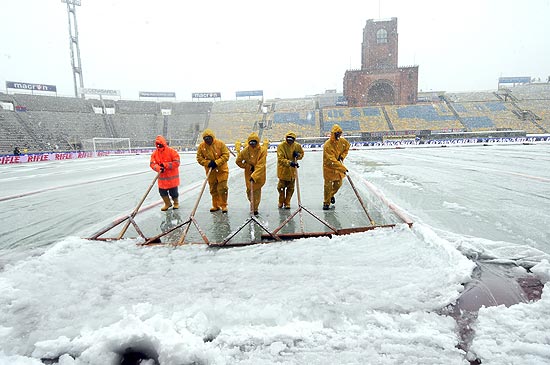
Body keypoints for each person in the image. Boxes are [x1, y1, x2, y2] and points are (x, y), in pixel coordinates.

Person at [196, 129, 230, 213]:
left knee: (222, 188)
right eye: (205, 139)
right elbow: (199, 158)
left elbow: (226, 155)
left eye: (209, 138)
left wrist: (216, 162)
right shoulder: (202, 146)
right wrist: (208, 163)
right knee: (213, 189)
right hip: (211, 172)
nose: (207, 140)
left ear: (212, 138)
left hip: (222, 170)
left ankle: (224, 205)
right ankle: (216, 205)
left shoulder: (220, 144)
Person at [236, 132, 267, 215]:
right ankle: (252, 203)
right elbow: (238, 161)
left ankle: (255, 209)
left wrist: (254, 175)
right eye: (251, 142)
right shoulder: (245, 151)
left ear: (257, 142)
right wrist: (247, 166)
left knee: (256, 191)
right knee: (249, 191)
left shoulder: (262, 151)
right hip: (248, 173)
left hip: (259, 174)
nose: (252, 144)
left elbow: (261, 165)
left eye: (254, 142)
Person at [322, 124, 350, 210]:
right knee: (328, 187)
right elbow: (331, 160)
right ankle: (326, 203)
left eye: (339, 134)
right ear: (333, 134)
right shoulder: (327, 144)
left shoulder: (343, 142)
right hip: (329, 168)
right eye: (337, 134)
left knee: (338, 184)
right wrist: (343, 168)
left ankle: (331, 195)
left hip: (338, 168)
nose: (338, 136)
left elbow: (347, 148)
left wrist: (341, 157)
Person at [150, 135, 181, 211]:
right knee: (162, 192)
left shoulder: (171, 152)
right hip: (162, 179)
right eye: (157, 144)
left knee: (174, 192)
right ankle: (167, 203)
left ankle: (176, 203)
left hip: (172, 178)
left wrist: (166, 165)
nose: (159, 146)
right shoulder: (155, 154)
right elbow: (152, 164)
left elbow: (177, 162)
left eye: (160, 144)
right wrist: (159, 168)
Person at [276, 131, 304, 209]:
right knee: (280, 187)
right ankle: (281, 201)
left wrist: (298, 155)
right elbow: (280, 159)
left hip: (292, 171)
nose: (289, 141)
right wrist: (289, 163)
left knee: (290, 188)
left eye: (291, 140)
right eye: (288, 139)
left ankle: (287, 202)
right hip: (283, 171)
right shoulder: (281, 146)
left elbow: (301, 154)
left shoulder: (297, 146)